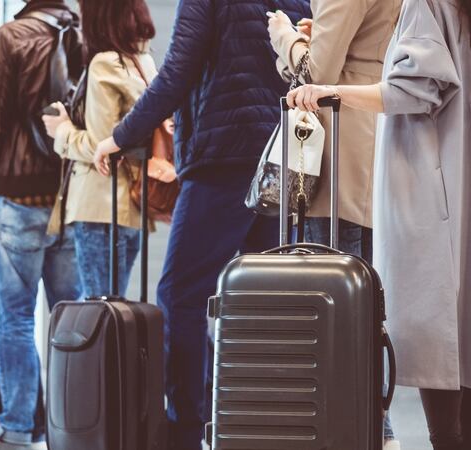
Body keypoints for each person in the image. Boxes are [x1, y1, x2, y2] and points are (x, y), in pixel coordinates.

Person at [93, 0, 311, 448]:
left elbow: (177, 72)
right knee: (261, 305)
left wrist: (119, 137)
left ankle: (186, 430)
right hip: (279, 158)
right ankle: (258, 428)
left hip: (222, 160)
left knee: (180, 295)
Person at [286, 1, 471, 449]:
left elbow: (414, 87)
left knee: (438, 337)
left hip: (429, 184)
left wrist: (332, 90)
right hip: (450, 178)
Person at [267, 1, 402, 447]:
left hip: (335, 161)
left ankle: (354, 431)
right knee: (364, 310)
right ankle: (375, 429)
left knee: (326, 311)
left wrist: (285, 36)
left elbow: (315, 71)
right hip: (370, 151)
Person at [0, 0, 84, 447]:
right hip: (73, 194)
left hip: (17, 194)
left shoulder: (8, 39)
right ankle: (73, 425)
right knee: (71, 319)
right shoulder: (84, 35)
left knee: (13, 318)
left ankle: (16, 428)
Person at [41, 0, 156, 298]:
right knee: (114, 309)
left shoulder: (104, 63)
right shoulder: (142, 61)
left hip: (99, 204)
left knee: (99, 311)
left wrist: (62, 131)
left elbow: (101, 144)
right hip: (131, 205)